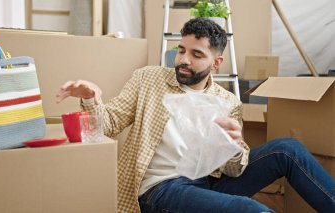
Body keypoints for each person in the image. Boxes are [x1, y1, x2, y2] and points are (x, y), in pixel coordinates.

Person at [56, 18, 335, 213]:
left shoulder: (226, 102)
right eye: (181, 50)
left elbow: (235, 170)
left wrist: (234, 147)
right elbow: (108, 124)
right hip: (160, 189)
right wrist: (91, 99)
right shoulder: (148, 79)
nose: (183, 60)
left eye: (196, 54)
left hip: (207, 184)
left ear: (216, 63)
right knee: (250, 210)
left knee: (289, 149)